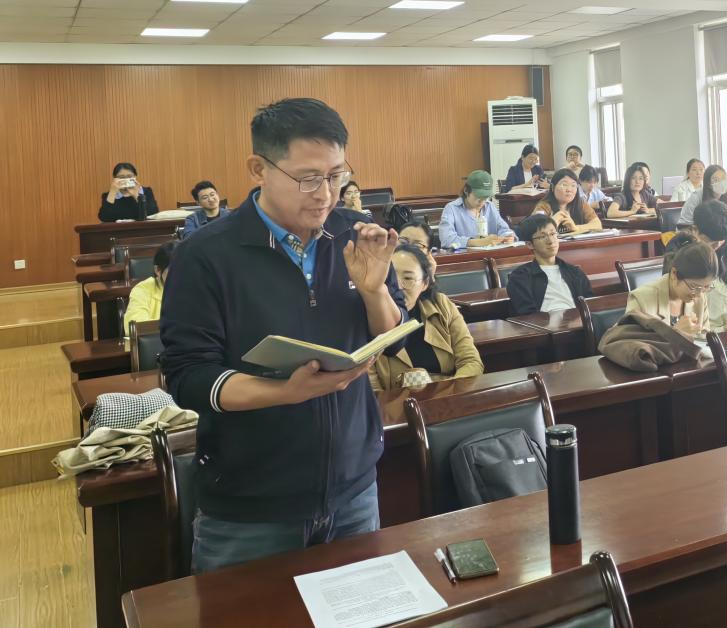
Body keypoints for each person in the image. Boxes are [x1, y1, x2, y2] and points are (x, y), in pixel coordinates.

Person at [160, 97, 408, 573]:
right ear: (259, 169)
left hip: (353, 489)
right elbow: (188, 377)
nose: (326, 194)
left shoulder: (355, 234)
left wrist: (374, 291)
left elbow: (392, 340)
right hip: (250, 507)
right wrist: (285, 392)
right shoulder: (206, 255)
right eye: (308, 178)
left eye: (336, 175)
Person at [371, 242, 483, 390]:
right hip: (394, 404)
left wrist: (445, 397)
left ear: (425, 283)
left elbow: (471, 362)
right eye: (389, 279)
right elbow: (371, 392)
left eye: (408, 279)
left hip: (448, 399)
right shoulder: (366, 321)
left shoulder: (441, 305)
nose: (398, 287)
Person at [625, 235, 717, 337]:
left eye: (706, 287)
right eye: (694, 287)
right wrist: (675, 333)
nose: (699, 294)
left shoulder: (700, 298)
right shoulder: (640, 300)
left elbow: (705, 340)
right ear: (674, 274)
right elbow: (630, 344)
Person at [506, 213, 593, 315]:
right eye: (542, 236)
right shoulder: (520, 277)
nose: (551, 241)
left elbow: (590, 306)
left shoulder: (575, 272)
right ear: (529, 244)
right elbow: (527, 314)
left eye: (552, 234)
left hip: (579, 321)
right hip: (545, 324)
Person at [438, 171, 515, 249]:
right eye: (478, 196)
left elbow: (504, 229)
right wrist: (479, 242)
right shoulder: (451, 209)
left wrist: (507, 236)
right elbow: (446, 239)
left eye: (486, 197)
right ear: (466, 190)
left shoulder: (490, 206)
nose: (482, 202)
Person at [121, 242, 175, 334]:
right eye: (174, 270)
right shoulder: (142, 290)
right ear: (158, 270)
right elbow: (137, 327)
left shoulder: (194, 287)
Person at [531, 168, 602, 234]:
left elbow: (597, 225)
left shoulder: (581, 203)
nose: (569, 190)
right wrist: (553, 222)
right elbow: (535, 230)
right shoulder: (544, 206)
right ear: (552, 187)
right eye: (564, 185)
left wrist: (576, 228)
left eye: (573, 185)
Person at [692, 198, 727, 267]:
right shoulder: (683, 253)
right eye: (712, 243)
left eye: (721, 241)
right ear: (695, 230)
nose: (717, 246)